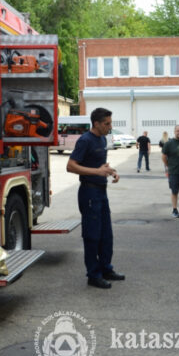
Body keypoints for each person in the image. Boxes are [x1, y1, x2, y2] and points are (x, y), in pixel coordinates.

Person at [66, 107, 125, 289]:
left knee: (106, 234)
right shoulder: (85, 140)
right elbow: (71, 166)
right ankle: (93, 275)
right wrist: (98, 171)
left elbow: (100, 165)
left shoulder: (102, 138)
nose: (110, 126)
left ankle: (106, 268)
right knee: (92, 236)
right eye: (107, 123)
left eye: (110, 123)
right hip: (89, 193)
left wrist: (111, 171)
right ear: (97, 123)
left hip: (101, 191)